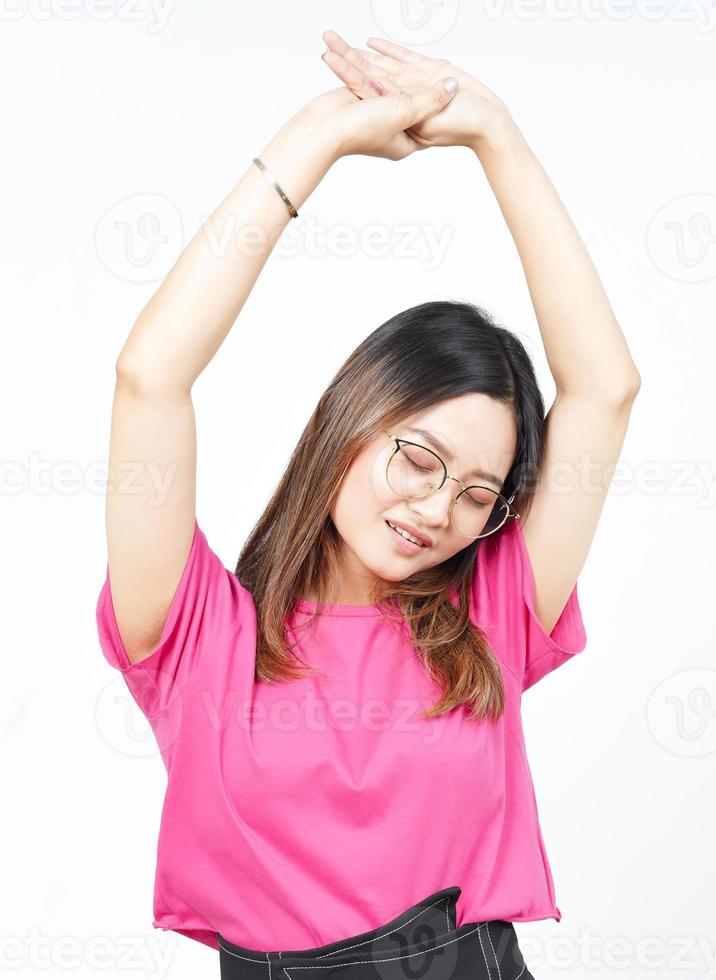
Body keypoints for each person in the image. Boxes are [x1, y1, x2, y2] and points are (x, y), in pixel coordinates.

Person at [96, 30, 641, 980]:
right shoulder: (195, 636)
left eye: (481, 494)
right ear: (353, 423)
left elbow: (603, 389)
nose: (440, 510)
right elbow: (150, 376)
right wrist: (319, 137)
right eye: (418, 459)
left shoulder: (492, 618)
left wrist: (497, 138)